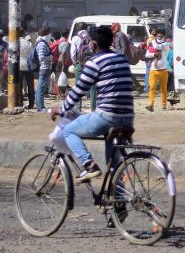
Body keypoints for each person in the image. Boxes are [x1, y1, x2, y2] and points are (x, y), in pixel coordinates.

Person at [49, 25, 134, 182]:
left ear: (93, 44)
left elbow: (79, 90)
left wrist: (61, 108)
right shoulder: (122, 60)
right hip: (128, 117)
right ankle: (119, 204)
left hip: (107, 116)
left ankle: (89, 166)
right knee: (114, 166)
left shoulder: (95, 62)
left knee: (68, 131)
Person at [144, 28, 172, 112]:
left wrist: (152, 41)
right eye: (158, 36)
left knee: (163, 88)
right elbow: (147, 55)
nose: (159, 37)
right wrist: (153, 54)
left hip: (163, 70)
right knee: (152, 87)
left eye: (161, 36)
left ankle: (164, 105)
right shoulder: (153, 42)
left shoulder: (166, 44)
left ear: (164, 36)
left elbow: (157, 46)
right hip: (153, 69)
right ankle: (151, 105)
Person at [34, 26, 53, 113]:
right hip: (44, 68)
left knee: (41, 87)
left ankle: (40, 106)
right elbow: (41, 57)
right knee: (41, 88)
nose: (50, 35)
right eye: (49, 33)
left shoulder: (43, 42)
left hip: (45, 68)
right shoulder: (42, 44)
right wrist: (50, 57)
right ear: (46, 34)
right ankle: (40, 107)